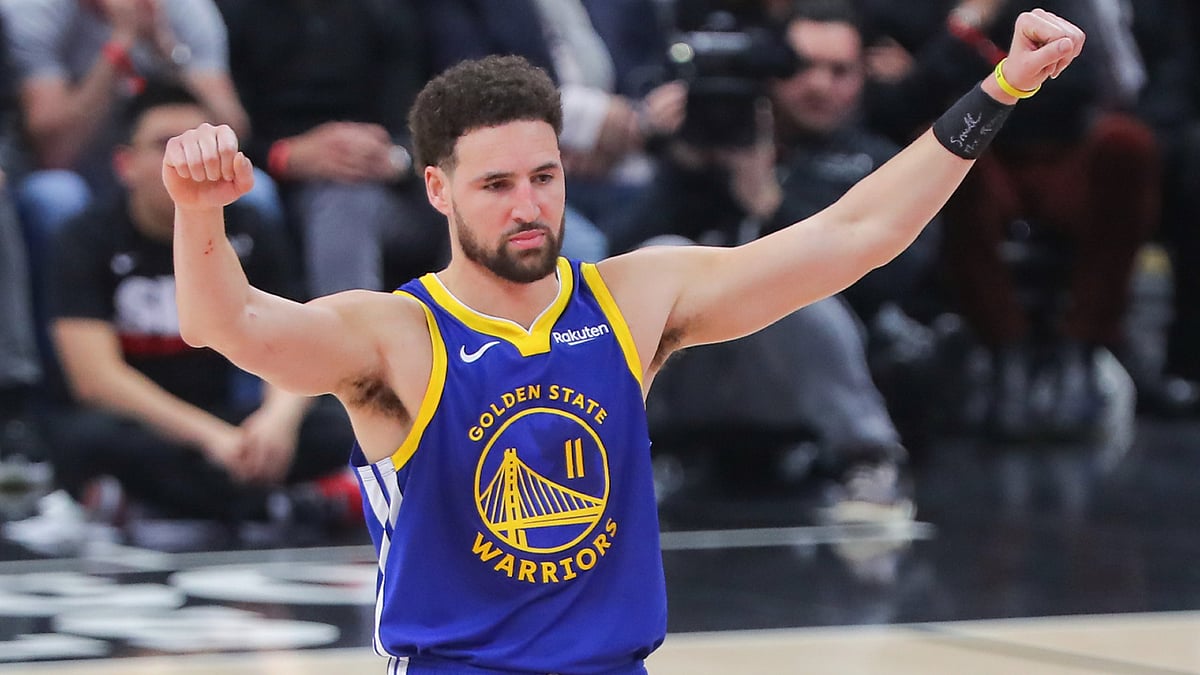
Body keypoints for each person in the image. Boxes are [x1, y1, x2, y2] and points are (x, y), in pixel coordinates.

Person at [165, 10, 1083, 673]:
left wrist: (997, 89)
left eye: (545, 175)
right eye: (496, 186)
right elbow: (224, 323)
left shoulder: (633, 297)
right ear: (438, 191)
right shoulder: (394, 333)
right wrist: (198, 211)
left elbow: (856, 236)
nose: (529, 207)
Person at [45, 81, 356, 540]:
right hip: (149, 421)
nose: (184, 161)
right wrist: (213, 439)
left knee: (344, 419)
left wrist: (275, 425)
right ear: (124, 164)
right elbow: (96, 379)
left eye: (197, 144)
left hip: (227, 411)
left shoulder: (252, 227)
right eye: (164, 146)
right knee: (82, 440)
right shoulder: (85, 238)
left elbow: (297, 340)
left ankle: (160, 506)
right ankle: (276, 504)